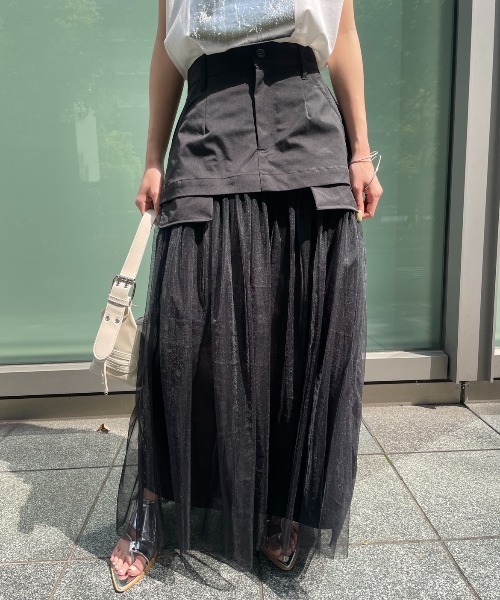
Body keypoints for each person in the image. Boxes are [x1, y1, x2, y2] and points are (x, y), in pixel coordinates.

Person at [109, 0, 383, 592]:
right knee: (181, 339)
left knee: (298, 327)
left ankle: (284, 503)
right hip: (210, 120)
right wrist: (152, 158)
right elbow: (165, 50)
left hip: (307, 123)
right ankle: (151, 500)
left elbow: (342, 36)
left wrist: (361, 151)